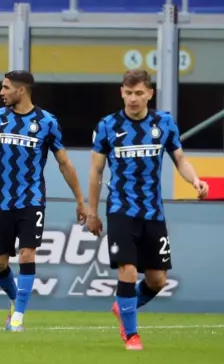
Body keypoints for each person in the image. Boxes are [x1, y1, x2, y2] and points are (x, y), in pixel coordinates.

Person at [87, 69, 209, 350]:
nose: (133, 99)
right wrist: (92, 212)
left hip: (153, 212)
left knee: (157, 280)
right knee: (127, 269)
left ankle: (124, 307)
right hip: (120, 209)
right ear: (121, 92)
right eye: (128, 93)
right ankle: (132, 335)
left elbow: (180, 159)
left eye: (139, 93)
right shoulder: (108, 125)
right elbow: (95, 171)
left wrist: (195, 180)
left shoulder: (164, 122)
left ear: (149, 94)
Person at [0, 70, 87, 332]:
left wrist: (80, 200)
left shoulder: (47, 122)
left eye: (6, 88)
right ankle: (17, 300)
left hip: (31, 199)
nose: (1, 92)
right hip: (0, 202)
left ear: (22, 90)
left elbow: (64, 162)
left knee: (27, 254)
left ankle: (18, 318)